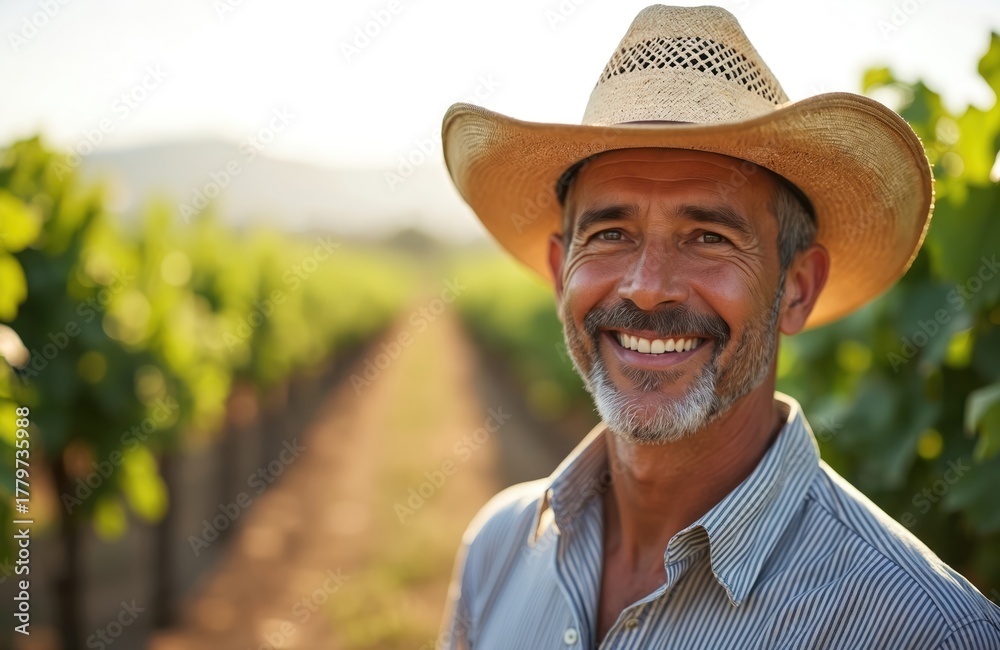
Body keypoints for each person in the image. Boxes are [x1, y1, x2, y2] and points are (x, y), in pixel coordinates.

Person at [438, 5, 1000, 649]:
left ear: (797, 288)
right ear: (559, 269)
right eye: (610, 233)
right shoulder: (496, 550)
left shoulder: (923, 631)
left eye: (708, 236)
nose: (648, 286)